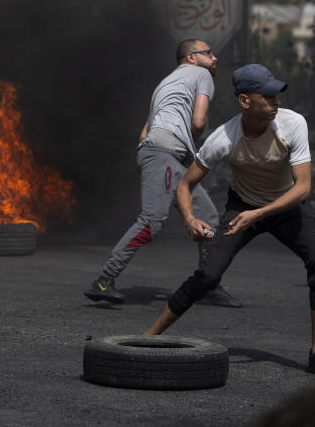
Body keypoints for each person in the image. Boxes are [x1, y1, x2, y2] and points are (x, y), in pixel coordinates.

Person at [144, 64, 315, 378]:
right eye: (267, 96)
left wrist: (260, 214)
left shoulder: (293, 124)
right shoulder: (223, 138)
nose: (276, 101)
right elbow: (184, 185)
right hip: (242, 206)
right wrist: (190, 219)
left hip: (285, 206)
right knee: (208, 275)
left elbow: (303, 188)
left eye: (277, 94)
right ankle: (146, 339)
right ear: (245, 101)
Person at [84, 39, 241, 307]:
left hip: (164, 155)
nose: (215, 58)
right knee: (152, 219)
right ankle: (104, 279)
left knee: (208, 217)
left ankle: (208, 285)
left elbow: (145, 131)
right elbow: (199, 122)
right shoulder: (201, 74)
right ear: (191, 58)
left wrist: (156, 153)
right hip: (166, 155)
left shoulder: (165, 84)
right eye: (208, 53)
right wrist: (185, 146)